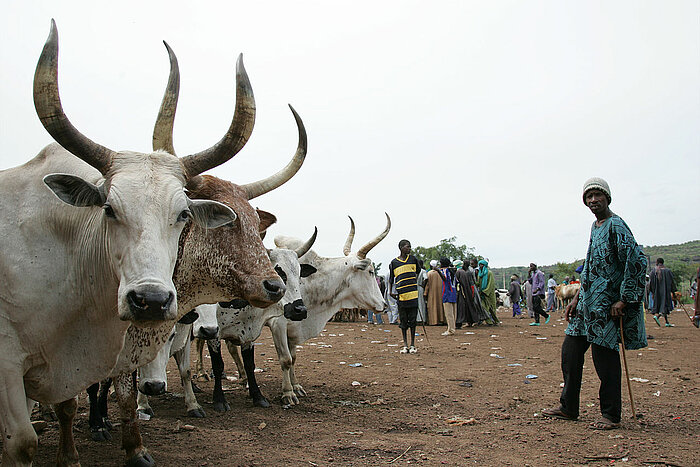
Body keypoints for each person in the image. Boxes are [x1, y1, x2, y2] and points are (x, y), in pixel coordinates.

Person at [543, 177, 647, 430]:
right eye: (588, 197)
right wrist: (576, 298)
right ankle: (568, 407)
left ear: (607, 197)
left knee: (605, 361)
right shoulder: (595, 226)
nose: (592, 201)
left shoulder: (616, 225)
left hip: (607, 306)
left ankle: (610, 415)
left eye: (597, 195)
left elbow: (637, 262)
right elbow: (589, 266)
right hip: (588, 305)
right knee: (570, 353)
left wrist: (624, 298)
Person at [388, 240, 421, 354]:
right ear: (401, 248)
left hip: (413, 295)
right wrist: (390, 292)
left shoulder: (413, 259)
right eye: (408, 247)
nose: (410, 249)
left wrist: (412, 282)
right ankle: (405, 344)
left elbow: (418, 271)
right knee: (403, 322)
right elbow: (391, 279)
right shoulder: (394, 263)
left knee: (413, 321)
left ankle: (412, 344)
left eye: (410, 247)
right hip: (401, 296)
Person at [649, 257, 676, 327]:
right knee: (664, 305)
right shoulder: (667, 271)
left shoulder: (653, 272)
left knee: (663, 306)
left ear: (657, 262)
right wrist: (673, 292)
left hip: (657, 293)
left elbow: (650, 283)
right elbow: (672, 283)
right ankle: (657, 317)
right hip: (665, 292)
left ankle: (667, 322)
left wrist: (653, 292)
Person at [437, 257, 457, 335]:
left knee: (448, 313)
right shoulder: (453, 271)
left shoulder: (445, 271)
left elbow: (445, 279)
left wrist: (438, 271)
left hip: (447, 293)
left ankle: (450, 330)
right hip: (453, 293)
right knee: (453, 313)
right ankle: (452, 327)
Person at [478, 259, 500, 325]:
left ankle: (495, 321)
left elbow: (491, 284)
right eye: (479, 265)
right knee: (484, 307)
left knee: (491, 308)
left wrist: (485, 291)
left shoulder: (489, 273)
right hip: (482, 294)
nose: (480, 266)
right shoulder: (479, 274)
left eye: (481, 265)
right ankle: (489, 321)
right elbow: (479, 283)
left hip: (489, 294)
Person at [424, 260, 445, 325]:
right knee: (440, 306)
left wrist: (425, 293)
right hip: (441, 293)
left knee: (433, 306)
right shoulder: (441, 273)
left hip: (432, 293)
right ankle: (442, 320)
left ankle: (433, 321)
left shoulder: (429, 273)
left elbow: (427, 284)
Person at [416, 259, 428, 324]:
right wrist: (423, 285)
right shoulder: (423, 271)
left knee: (416, 303)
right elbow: (426, 278)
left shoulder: (414, 270)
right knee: (421, 303)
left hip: (414, 287)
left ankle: (417, 319)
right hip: (420, 287)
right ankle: (422, 319)